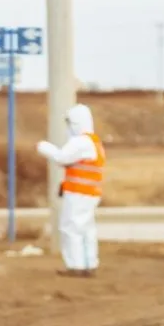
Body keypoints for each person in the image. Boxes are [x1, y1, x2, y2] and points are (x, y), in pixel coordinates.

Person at [36, 104, 106, 278]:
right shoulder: (93, 142)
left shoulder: (80, 142)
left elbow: (62, 157)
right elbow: (75, 166)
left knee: (71, 228)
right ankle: (89, 264)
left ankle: (76, 266)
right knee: (86, 229)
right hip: (89, 193)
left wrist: (43, 147)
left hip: (79, 194)